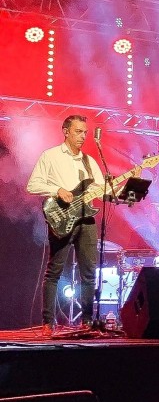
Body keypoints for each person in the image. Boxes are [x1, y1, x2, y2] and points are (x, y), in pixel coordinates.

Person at [27, 115, 108, 337]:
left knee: (89, 273)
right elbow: (33, 184)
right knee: (54, 272)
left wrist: (126, 187)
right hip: (62, 219)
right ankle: (48, 323)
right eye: (78, 131)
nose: (83, 136)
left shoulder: (89, 161)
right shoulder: (51, 156)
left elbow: (102, 189)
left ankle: (87, 321)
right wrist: (57, 190)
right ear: (66, 131)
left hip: (87, 220)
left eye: (85, 132)